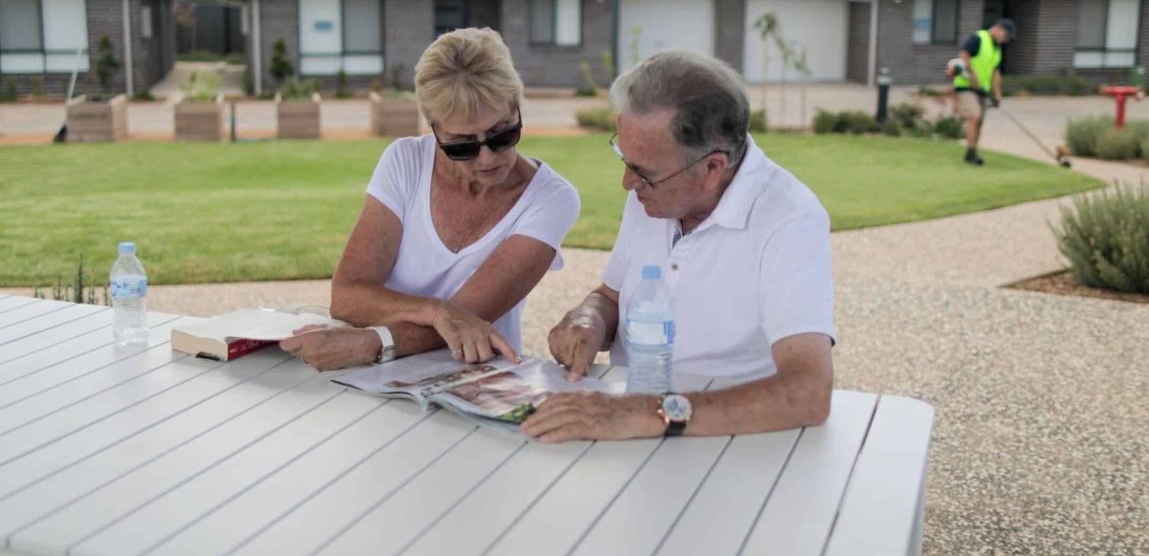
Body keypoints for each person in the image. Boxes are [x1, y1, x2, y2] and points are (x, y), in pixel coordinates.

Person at [521, 50, 835, 443]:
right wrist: (590, 318)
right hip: (625, 426)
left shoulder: (789, 219)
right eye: (625, 159)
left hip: (735, 447)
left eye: (644, 172)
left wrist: (647, 414)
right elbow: (611, 296)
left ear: (712, 168)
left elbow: (808, 392)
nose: (627, 183)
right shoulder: (654, 195)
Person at [279, 28, 581, 371]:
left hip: (477, 378)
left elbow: (469, 317)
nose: (487, 159)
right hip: (381, 375)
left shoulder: (552, 199)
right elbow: (347, 296)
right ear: (433, 127)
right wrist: (437, 311)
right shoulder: (405, 161)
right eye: (462, 145)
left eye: (503, 135)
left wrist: (374, 343)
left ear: (517, 108)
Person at [949, 18, 1015, 166]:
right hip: (965, 86)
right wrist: (972, 76)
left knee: (979, 121)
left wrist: (997, 94)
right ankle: (971, 153)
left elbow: (995, 72)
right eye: (1006, 36)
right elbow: (964, 54)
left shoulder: (997, 49)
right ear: (999, 29)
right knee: (974, 115)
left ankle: (971, 151)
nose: (1005, 40)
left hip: (982, 90)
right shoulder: (978, 38)